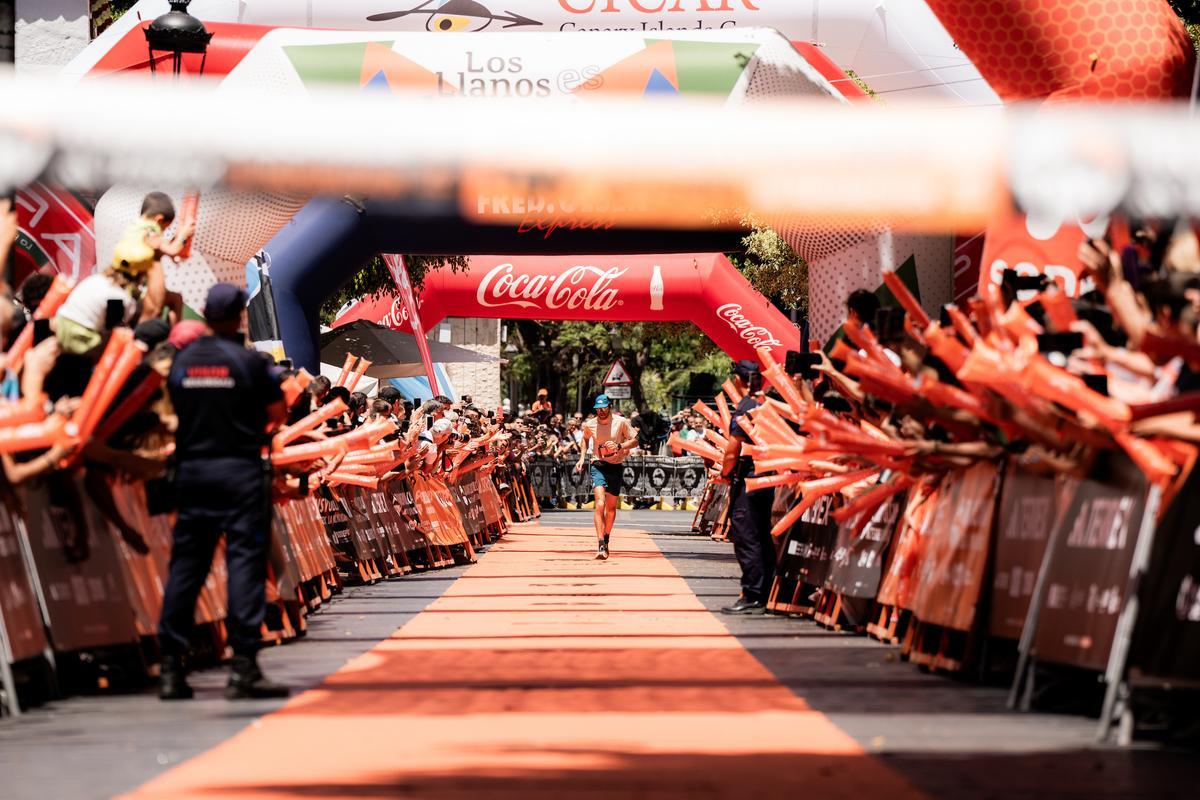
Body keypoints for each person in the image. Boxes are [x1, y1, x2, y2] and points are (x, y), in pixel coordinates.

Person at [157, 283, 289, 701]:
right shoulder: (248, 363)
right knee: (245, 565)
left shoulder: (181, 362)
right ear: (239, 318)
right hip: (240, 472)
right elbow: (277, 413)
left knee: (187, 567)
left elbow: (170, 409)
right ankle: (244, 666)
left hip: (193, 472)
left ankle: (170, 668)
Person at [719, 360, 777, 614]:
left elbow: (733, 449)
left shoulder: (745, 406)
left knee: (746, 535)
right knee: (762, 535)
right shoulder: (766, 403)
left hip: (750, 477)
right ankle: (763, 591)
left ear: (740, 381)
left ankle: (753, 593)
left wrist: (724, 473)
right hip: (769, 476)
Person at [574, 393, 637, 560]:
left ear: (610, 407)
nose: (600, 411)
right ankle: (600, 543)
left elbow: (635, 440)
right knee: (599, 504)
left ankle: (607, 536)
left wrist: (619, 445)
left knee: (610, 509)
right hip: (598, 465)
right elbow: (585, 440)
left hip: (616, 466)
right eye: (598, 409)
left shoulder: (621, 422)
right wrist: (582, 458)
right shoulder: (590, 424)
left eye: (603, 408)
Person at [118, 192, 194, 323]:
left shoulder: (135, 227)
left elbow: (158, 249)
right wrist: (183, 234)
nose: (163, 233)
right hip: (134, 285)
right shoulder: (150, 230)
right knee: (151, 312)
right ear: (158, 220)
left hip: (125, 277)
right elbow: (173, 250)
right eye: (164, 228)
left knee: (175, 298)